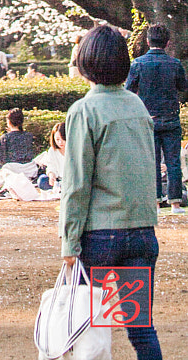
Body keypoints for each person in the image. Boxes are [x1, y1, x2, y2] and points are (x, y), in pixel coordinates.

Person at [60, 23, 162, 360]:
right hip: (141, 232)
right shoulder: (137, 107)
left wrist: (69, 242)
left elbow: (76, 184)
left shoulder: (84, 111)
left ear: (85, 62)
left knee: (87, 326)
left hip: (101, 237)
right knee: (140, 326)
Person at [126, 24, 188, 206]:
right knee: (173, 161)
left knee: (150, 162)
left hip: (147, 119)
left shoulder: (138, 64)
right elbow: (183, 87)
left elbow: (128, 89)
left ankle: (155, 200)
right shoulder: (175, 64)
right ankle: (175, 202)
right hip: (170, 117)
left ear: (147, 41)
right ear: (167, 43)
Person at [35, 122, 67, 189]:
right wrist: (51, 175)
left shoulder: (74, 150)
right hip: (59, 180)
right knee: (42, 180)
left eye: (63, 139)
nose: (60, 142)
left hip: (72, 180)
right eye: (57, 139)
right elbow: (51, 166)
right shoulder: (52, 151)